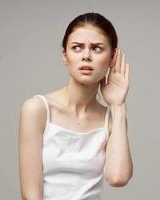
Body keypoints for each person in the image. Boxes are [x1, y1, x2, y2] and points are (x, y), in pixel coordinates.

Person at [18, 12, 133, 200]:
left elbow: (118, 177)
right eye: (77, 48)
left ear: (112, 58)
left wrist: (118, 106)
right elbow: (30, 195)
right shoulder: (37, 109)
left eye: (96, 49)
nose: (86, 56)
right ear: (65, 55)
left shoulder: (112, 119)